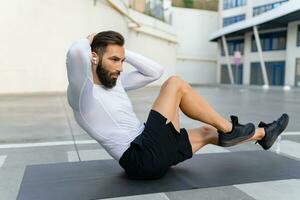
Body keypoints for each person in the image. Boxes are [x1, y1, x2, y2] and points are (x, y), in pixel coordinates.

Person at [66, 31, 289, 180]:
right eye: (114, 60)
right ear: (93, 57)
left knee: (208, 132)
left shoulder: (114, 83)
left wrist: (119, 52)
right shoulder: (83, 94)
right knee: (175, 85)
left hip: (151, 152)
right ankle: (230, 128)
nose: (121, 68)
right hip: (140, 156)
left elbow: (155, 71)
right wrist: (94, 38)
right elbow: (76, 52)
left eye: (122, 61)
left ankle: (263, 135)